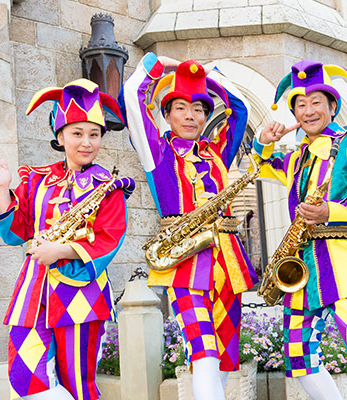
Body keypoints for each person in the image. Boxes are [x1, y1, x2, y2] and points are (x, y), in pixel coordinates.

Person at [0, 79, 134, 400]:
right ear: (60, 136)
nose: (86, 142)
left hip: (82, 298)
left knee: (79, 385)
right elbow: (14, 232)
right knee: (24, 378)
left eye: (94, 134)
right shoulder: (36, 179)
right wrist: (2, 189)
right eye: (77, 133)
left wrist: (60, 250)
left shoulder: (109, 187)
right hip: (33, 294)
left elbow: (110, 238)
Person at [254, 60, 347, 400]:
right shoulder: (294, 158)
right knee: (298, 359)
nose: (308, 111)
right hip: (301, 266)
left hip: (342, 260)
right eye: (300, 105)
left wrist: (329, 211)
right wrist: (264, 142)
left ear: (332, 107)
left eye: (316, 102)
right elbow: (260, 167)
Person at [119, 53, 256, 400]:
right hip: (185, 264)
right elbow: (133, 95)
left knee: (224, 355)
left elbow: (239, 110)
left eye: (198, 108)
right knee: (203, 348)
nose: (191, 116)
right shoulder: (157, 152)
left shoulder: (217, 153)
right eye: (180, 107)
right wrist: (159, 64)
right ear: (166, 115)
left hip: (228, 261)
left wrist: (208, 76)